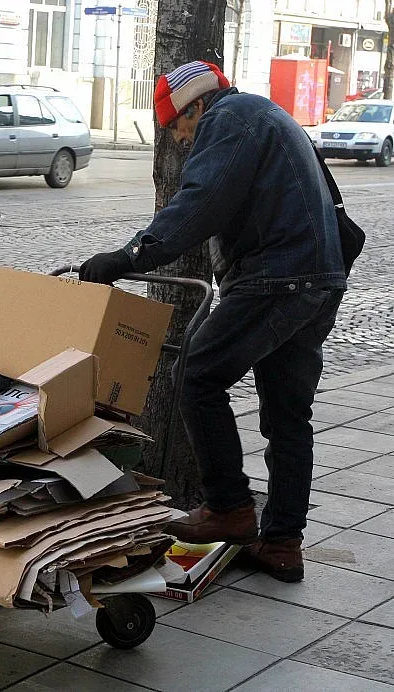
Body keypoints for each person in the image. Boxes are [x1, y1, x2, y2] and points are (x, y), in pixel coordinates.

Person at [78, 61, 346, 583]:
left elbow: (198, 205)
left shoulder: (231, 119)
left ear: (197, 105)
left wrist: (128, 256)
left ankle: (229, 508)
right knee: (289, 416)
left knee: (198, 376)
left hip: (278, 277)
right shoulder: (266, 114)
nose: (179, 139)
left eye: (178, 125)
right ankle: (283, 544)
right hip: (317, 277)